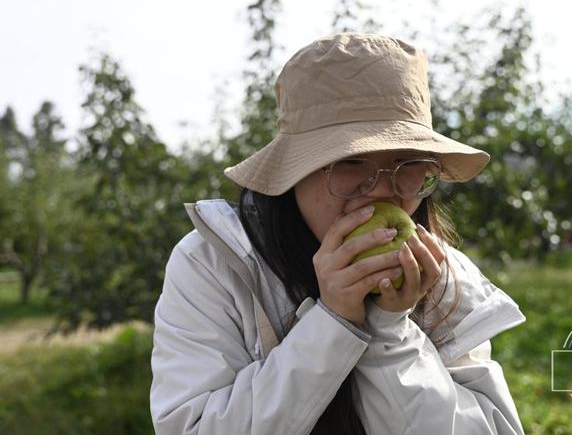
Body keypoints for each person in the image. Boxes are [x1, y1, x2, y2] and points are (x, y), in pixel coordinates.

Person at [150, 32, 527, 435]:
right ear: (293, 171)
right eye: (350, 163)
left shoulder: (440, 273)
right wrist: (332, 324)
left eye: (408, 164)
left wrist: (390, 327)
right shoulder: (215, 263)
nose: (383, 190)